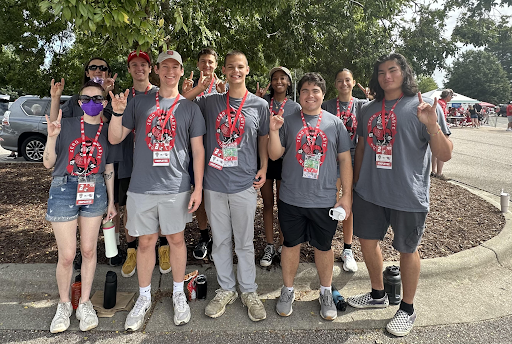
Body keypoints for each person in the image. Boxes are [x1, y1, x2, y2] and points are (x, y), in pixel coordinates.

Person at [347, 53, 452, 337]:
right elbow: (363, 150)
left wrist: (431, 125)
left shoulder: (424, 107)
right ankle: (378, 294)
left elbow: (445, 154)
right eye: (381, 72)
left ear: (404, 73)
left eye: (392, 70)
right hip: (369, 192)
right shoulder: (367, 109)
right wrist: (355, 187)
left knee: (407, 250)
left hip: (408, 194)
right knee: (367, 244)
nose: (386, 77)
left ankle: (407, 308)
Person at [108, 50, 206, 330]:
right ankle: (144, 297)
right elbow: (115, 137)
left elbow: (198, 151)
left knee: (175, 240)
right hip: (141, 188)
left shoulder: (189, 108)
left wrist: (197, 187)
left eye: (175, 66)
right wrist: (117, 112)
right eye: (165, 66)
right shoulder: (138, 103)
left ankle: (178, 293)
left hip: (175, 187)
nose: (170, 71)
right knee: (146, 242)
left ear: (181, 71)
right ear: (157, 71)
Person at [184, 50, 269, 322]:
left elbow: (263, 139)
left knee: (244, 242)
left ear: (247, 70)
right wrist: (200, 84)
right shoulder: (210, 103)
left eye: (240, 67)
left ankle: (248, 291)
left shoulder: (259, 105)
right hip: (215, 184)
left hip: (244, 184)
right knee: (220, 241)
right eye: (231, 67)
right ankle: (226, 289)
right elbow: (180, 104)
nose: (235, 71)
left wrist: (264, 166)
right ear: (224, 69)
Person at [268, 72, 352, 320]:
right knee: (290, 245)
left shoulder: (335, 124)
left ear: (323, 95)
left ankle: (325, 292)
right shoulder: (288, 120)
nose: (310, 95)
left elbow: (345, 159)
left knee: (324, 247)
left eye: (315, 90)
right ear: (299, 94)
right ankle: (287, 290)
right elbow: (274, 155)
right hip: (291, 198)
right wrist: (273, 131)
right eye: (305, 90)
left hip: (324, 199)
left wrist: (345, 195)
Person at [45, 79, 117, 333]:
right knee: (66, 255)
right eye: (85, 99)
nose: (91, 104)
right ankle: (64, 304)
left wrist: (110, 200)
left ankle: (84, 302)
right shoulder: (66, 125)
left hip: (95, 189)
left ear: (104, 102)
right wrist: (51, 138)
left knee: (88, 250)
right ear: (79, 103)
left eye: (97, 99)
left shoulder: (107, 130)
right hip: (64, 187)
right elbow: (48, 163)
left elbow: (108, 166)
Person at [118, 50, 171, 278]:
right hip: (128, 161)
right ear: (129, 69)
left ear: (151, 69)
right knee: (129, 208)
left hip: (156, 162)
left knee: (159, 206)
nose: (139, 68)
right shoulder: (122, 97)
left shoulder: (162, 94)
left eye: (144, 64)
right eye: (134, 65)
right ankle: (131, 250)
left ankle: (163, 247)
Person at [321, 68, 368, 272]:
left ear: (353, 81)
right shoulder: (327, 105)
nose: (344, 84)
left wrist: (373, 98)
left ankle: (347, 249)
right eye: (339, 81)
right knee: (330, 202)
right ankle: (326, 246)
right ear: (335, 84)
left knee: (349, 204)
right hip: (332, 159)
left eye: (347, 80)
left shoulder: (363, 105)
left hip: (354, 158)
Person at [182, 48, 226, 261]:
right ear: (198, 64)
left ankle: (220, 237)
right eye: (203, 62)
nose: (207, 65)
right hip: (196, 150)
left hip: (220, 151)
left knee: (217, 195)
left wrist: (223, 93)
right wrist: (190, 91)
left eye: (210, 62)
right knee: (197, 192)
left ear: (216, 65)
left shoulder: (224, 88)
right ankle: (204, 236)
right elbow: (179, 107)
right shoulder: (191, 87)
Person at [255, 66, 301, 267]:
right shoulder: (262, 103)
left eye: (283, 78)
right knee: (267, 204)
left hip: (286, 161)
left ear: (289, 82)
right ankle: (269, 245)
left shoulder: (295, 107)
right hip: (265, 160)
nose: (279, 82)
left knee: (283, 205)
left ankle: (283, 245)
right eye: (275, 78)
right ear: (271, 82)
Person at [431, 89, 453, 180]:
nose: (451, 98)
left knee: (434, 150)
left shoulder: (438, 102)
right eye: (451, 96)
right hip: (441, 129)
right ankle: (439, 173)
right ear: (447, 96)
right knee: (442, 148)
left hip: (435, 128)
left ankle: (433, 170)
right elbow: (442, 119)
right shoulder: (442, 105)